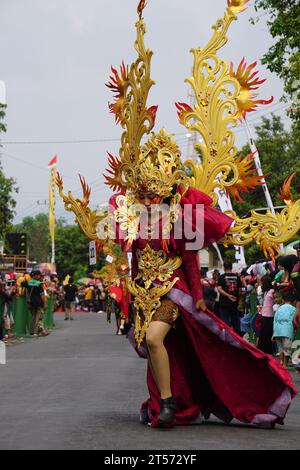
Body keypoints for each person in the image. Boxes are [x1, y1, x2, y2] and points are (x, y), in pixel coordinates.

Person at [272, 289, 296, 368]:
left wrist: (273, 333)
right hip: (287, 331)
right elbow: (294, 320)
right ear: (293, 301)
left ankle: (281, 362)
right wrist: (295, 329)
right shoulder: (293, 309)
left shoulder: (279, 308)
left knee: (280, 348)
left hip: (278, 331)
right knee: (287, 349)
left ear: (282, 300)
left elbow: (275, 320)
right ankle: (285, 364)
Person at [217, 261, 242, 333]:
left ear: (224, 268)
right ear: (231, 267)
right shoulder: (237, 277)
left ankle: (227, 336)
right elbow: (240, 291)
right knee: (236, 321)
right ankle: (238, 337)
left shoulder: (222, 277)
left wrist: (228, 295)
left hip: (224, 303)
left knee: (225, 321)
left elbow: (219, 288)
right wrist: (237, 299)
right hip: (234, 302)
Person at [22, 270, 49, 337]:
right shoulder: (39, 283)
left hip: (31, 302)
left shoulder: (28, 282)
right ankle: (35, 332)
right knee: (38, 317)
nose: (40, 276)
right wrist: (45, 303)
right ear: (36, 275)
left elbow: (22, 283)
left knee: (33, 317)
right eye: (39, 275)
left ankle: (32, 331)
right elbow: (42, 295)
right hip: (39, 302)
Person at [257, 275, 276, 354]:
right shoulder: (266, 292)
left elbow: (275, 302)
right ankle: (262, 350)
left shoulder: (272, 291)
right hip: (264, 315)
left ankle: (267, 351)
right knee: (263, 334)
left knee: (267, 335)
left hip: (269, 316)